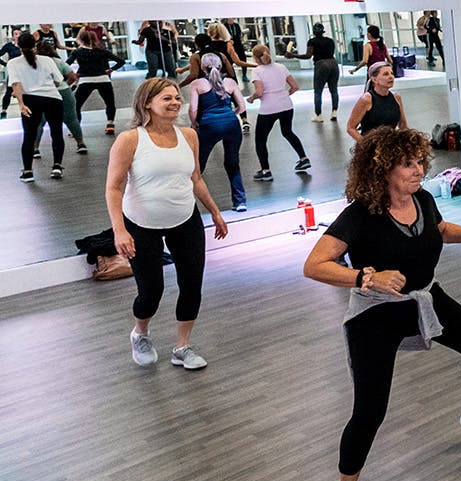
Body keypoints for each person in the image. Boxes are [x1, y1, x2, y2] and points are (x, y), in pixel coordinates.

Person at [302, 127, 461, 481]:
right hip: (376, 314)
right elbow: (314, 265)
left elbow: (438, 230)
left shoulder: (422, 199)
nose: (418, 169)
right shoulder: (361, 214)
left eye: (420, 161)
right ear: (382, 170)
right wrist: (366, 276)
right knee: (370, 410)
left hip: (424, 297)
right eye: (408, 164)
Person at [104, 78, 229, 371]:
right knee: (151, 292)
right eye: (166, 99)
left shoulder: (189, 136)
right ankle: (141, 333)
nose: (175, 103)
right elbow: (113, 188)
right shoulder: (130, 139)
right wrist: (119, 230)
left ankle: (182, 347)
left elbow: (195, 178)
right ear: (147, 103)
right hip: (141, 223)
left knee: (191, 285)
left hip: (185, 219)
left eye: (176, 98)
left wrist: (214, 211)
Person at [187, 53, 248, 211]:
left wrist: (194, 124)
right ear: (221, 65)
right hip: (232, 125)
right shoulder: (230, 82)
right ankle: (240, 201)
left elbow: (193, 109)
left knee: (198, 165)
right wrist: (229, 116)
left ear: (202, 67)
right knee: (232, 163)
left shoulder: (197, 84)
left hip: (208, 126)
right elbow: (242, 107)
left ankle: (186, 202)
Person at [245, 45, 310, 183]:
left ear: (256, 57)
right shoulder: (281, 67)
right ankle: (303, 159)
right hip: (286, 105)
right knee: (288, 132)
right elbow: (295, 86)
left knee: (260, 140)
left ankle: (266, 171)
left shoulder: (257, 71)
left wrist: (251, 98)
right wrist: (284, 94)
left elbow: (259, 92)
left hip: (268, 108)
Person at [8, 35, 66, 182]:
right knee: (56, 132)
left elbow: (16, 85)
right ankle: (57, 167)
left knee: (29, 135)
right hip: (53, 99)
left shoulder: (13, 63)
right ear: (35, 45)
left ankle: (28, 172)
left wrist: (21, 104)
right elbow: (59, 81)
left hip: (30, 100)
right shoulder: (47, 60)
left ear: (18, 45)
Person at [34, 42, 87, 156]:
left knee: (39, 121)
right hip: (63, 91)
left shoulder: (34, 63)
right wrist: (66, 85)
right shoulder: (58, 61)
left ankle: (35, 149)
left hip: (42, 93)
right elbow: (72, 77)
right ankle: (81, 144)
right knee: (71, 119)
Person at [68, 30, 126, 135]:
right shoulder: (102, 51)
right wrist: (111, 70)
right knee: (109, 103)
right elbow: (121, 61)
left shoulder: (77, 52)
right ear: (95, 39)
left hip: (86, 80)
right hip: (103, 79)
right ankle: (110, 125)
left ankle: (76, 129)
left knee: (76, 105)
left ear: (81, 39)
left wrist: (74, 74)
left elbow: (67, 64)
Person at [347, 63, 408, 141]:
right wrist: (366, 145)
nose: (391, 77)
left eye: (392, 73)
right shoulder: (366, 99)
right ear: (374, 79)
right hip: (371, 147)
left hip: (390, 146)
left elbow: (403, 125)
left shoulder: (396, 98)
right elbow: (350, 128)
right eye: (386, 74)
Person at [297, 23, 341, 122]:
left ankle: (318, 115)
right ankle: (334, 112)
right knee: (334, 90)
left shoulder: (312, 41)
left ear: (313, 31)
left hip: (321, 64)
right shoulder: (330, 41)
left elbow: (308, 55)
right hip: (333, 63)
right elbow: (331, 53)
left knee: (318, 92)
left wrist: (294, 55)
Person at [2, 30, 23, 118]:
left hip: (23, 71)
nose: (17, 36)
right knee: (9, 91)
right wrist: (5, 64)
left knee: (25, 90)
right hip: (13, 72)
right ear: (13, 36)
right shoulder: (9, 46)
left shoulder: (23, 45)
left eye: (19, 34)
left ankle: (24, 108)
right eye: (15, 34)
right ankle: (4, 110)